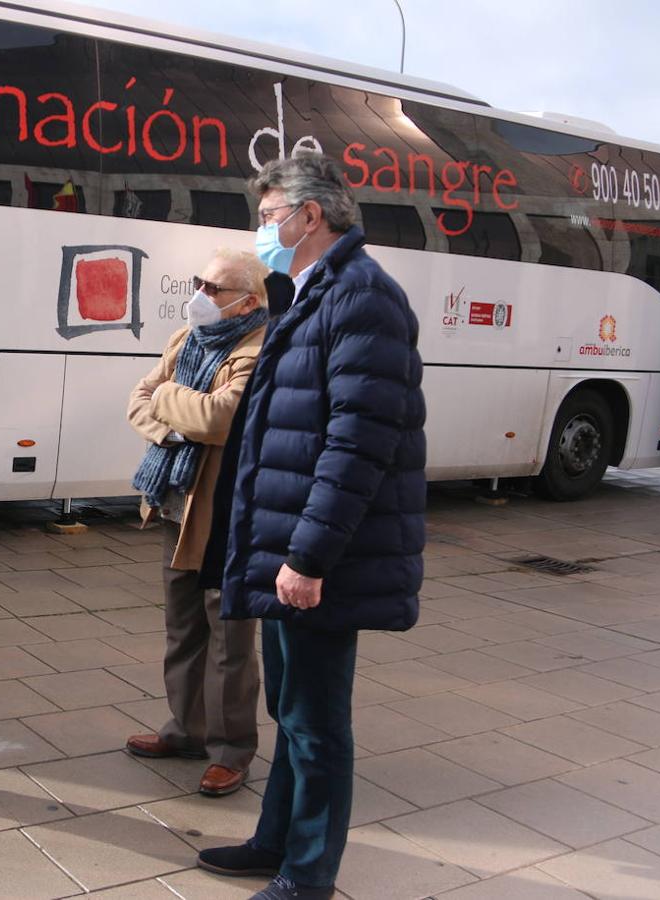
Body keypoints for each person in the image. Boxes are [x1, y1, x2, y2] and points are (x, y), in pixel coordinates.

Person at [197, 152, 427, 900]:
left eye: (269, 217)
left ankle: (309, 876)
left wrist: (307, 555)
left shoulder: (363, 298)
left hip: (320, 559)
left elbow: (358, 445)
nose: (263, 230)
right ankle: (275, 842)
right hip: (287, 550)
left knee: (318, 722)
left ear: (310, 215)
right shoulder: (311, 292)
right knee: (289, 710)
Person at [123, 249, 269, 797]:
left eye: (214, 288)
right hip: (175, 506)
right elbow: (137, 402)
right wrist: (172, 428)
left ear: (248, 301)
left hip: (225, 515)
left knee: (229, 637)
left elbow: (221, 417)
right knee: (182, 627)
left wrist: (166, 398)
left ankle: (231, 751)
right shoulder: (185, 342)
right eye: (198, 282)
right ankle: (187, 729)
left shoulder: (257, 349)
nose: (200, 295)